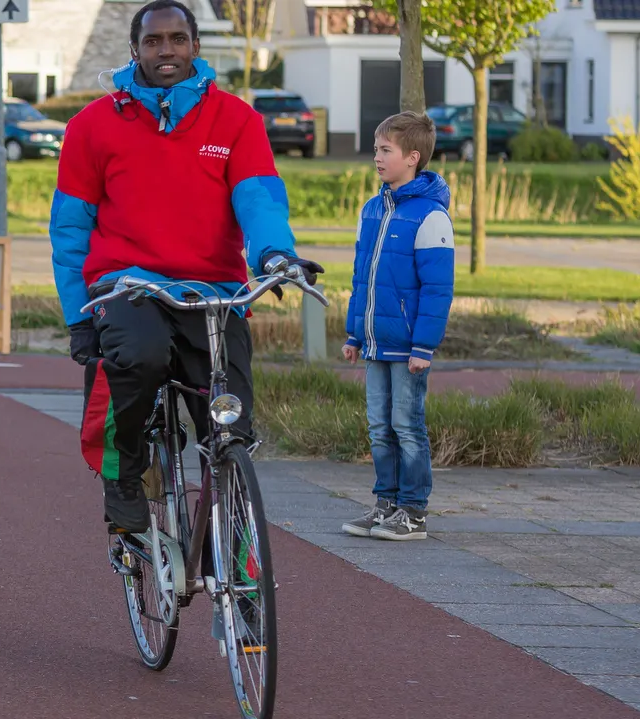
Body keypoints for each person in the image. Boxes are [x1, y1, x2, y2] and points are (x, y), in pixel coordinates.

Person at [50, 0, 325, 534]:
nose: (166, 50)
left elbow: (260, 201)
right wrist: (78, 318)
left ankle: (238, 560)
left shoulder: (236, 119)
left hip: (213, 289)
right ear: (136, 50)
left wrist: (275, 256)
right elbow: (69, 232)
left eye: (177, 39)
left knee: (228, 422)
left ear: (196, 46)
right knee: (138, 358)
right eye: (153, 41)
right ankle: (124, 475)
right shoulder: (92, 126)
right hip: (127, 284)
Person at [340, 111, 454, 541]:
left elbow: (437, 289)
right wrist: (355, 333)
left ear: (412, 157)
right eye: (376, 150)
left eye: (385, 150)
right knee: (378, 426)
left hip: (409, 348)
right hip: (374, 343)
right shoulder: (372, 211)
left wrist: (424, 346)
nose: (377, 158)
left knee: (407, 425)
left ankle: (413, 511)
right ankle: (385, 503)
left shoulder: (431, 217)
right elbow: (361, 279)